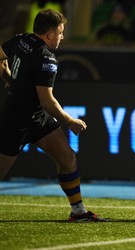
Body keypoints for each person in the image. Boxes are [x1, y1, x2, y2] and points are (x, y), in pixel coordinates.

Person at [0, 9, 106, 222]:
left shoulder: (22, 40)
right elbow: (47, 101)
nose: (62, 37)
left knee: (67, 156)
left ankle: (78, 211)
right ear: (49, 34)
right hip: (16, 121)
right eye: (60, 32)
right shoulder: (46, 58)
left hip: (36, 118)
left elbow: (0, 56)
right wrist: (70, 121)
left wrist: (10, 79)